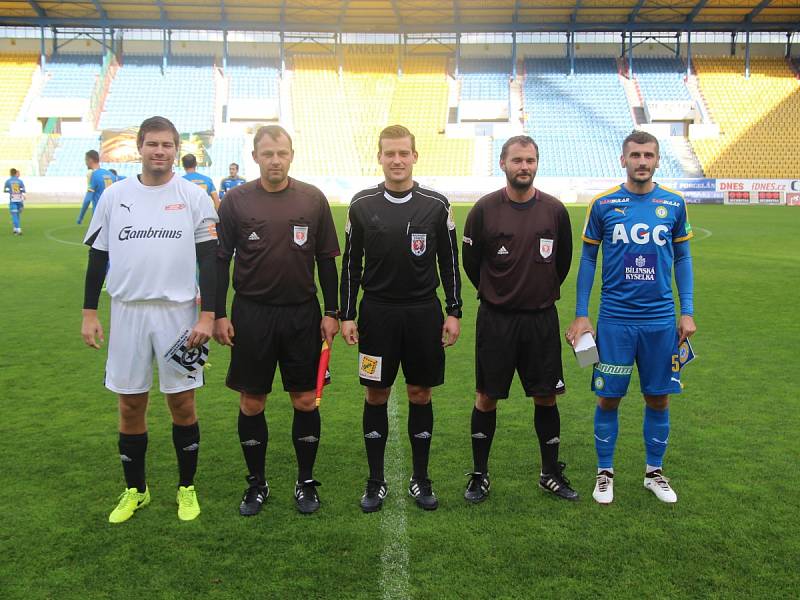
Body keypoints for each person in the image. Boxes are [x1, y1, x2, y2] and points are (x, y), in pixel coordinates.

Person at [80, 116, 218, 523]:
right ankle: (135, 490)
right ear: (139, 147)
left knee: (183, 402)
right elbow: (97, 256)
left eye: (168, 145)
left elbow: (210, 260)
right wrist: (90, 311)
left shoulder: (194, 197)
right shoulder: (113, 196)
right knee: (129, 404)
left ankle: (186, 489)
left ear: (176, 149)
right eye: (152, 144)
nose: (160, 151)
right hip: (127, 313)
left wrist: (208, 315)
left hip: (179, 315)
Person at [214, 125, 340, 516]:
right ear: (255, 157)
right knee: (252, 401)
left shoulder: (312, 199)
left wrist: (332, 311)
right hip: (251, 314)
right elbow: (220, 261)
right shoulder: (235, 201)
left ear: (291, 154)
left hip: (302, 314)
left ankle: (305, 482)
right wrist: (218, 313)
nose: (275, 160)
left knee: (304, 400)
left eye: (282, 153)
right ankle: (256, 483)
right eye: (267, 153)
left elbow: (326, 260)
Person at [566, 130, 696, 505]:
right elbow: (589, 258)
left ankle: (654, 472)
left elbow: (683, 258)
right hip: (615, 323)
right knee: (609, 399)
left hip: (660, 323)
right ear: (623, 160)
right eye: (635, 155)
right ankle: (604, 473)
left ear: (657, 161)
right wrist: (580, 315)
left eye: (649, 155)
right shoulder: (604, 204)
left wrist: (686, 311)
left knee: (658, 399)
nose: (642, 161)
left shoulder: (673, 203)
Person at [340, 124, 462, 513]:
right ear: (379, 157)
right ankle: (376, 481)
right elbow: (350, 266)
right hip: (376, 314)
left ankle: (420, 478)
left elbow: (450, 262)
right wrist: (346, 314)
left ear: (414, 156)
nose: (396, 160)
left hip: (423, 314)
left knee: (419, 393)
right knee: (375, 393)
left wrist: (453, 311)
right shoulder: (361, 204)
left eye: (403, 153)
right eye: (389, 153)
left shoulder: (436, 204)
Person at [461, 135, 577, 504]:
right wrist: (498, 291)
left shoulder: (555, 211)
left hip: (541, 320)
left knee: (546, 397)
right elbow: (471, 263)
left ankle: (550, 472)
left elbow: (562, 264)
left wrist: (537, 292)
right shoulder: (483, 210)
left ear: (537, 163)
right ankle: (480, 475)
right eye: (517, 160)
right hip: (496, 320)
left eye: (530, 160)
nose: (523, 167)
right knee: (486, 398)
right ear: (503, 164)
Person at [77, 150, 115, 225]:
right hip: (112, 215)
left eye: (86, 160)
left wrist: (80, 217)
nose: (85, 163)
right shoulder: (110, 174)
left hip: (99, 216)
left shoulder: (94, 175)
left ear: (90, 160)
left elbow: (88, 199)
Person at [5, 168, 25, 235]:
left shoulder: (8, 181)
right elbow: (23, 190)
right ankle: (15, 228)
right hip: (19, 199)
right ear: (15, 173)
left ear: (10, 173)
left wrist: (10, 191)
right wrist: (19, 192)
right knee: (17, 214)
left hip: (13, 199)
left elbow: (5, 190)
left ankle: (18, 229)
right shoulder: (20, 181)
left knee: (14, 215)